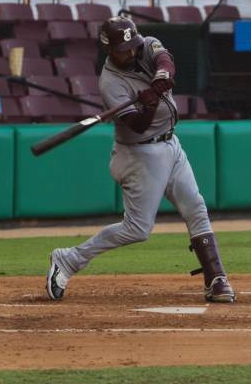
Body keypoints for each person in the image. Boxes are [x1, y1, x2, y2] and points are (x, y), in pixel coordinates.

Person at [45, 17, 235, 304]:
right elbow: (137, 126)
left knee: (195, 206)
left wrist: (160, 79)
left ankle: (217, 278)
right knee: (138, 229)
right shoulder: (110, 83)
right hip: (139, 154)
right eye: (124, 49)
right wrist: (148, 104)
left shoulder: (143, 45)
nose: (131, 52)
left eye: (132, 46)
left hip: (170, 143)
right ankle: (69, 259)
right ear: (109, 50)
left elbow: (165, 59)